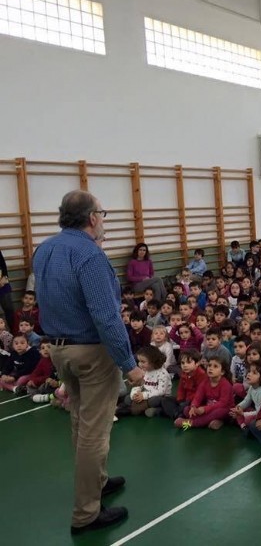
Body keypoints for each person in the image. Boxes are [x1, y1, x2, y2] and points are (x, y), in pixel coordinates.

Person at [33, 190, 144, 533]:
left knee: (80, 423)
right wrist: (129, 363)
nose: (103, 220)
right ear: (92, 218)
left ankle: (96, 481)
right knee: (95, 433)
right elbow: (106, 316)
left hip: (59, 349)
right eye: (102, 213)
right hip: (92, 352)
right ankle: (86, 513)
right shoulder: (90, 256)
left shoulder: (44, 249)